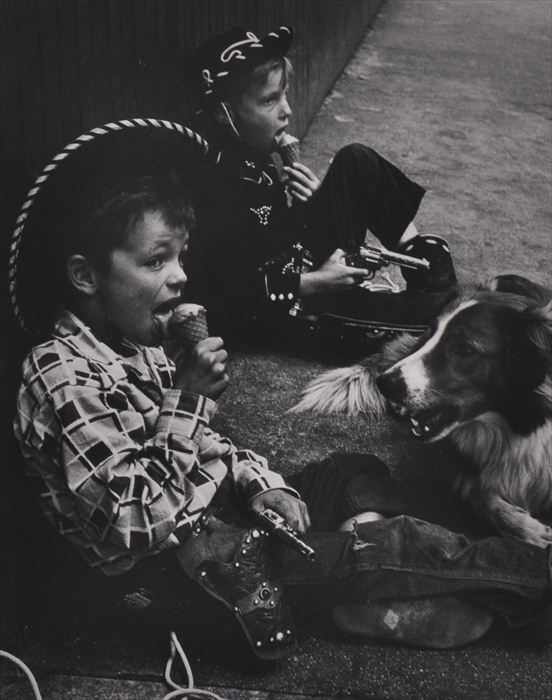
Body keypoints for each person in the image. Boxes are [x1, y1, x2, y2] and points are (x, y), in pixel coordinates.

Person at [9, 121, 551, 664]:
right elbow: (133, 520)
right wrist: (190, 401)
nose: (179, 278)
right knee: (386, 547)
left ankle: (388, 580)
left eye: (180, 257)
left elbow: (211, 449)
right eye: (156, 261)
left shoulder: (137, 344)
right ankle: (512, 583)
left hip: (224, 514)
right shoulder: (64, 377)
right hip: (185, 573)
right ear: (85, 276)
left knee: (351, 473)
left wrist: (267, 486)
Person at [187, 26, 457, 351]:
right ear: (224, 113)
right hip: (280, 306)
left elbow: (271, 231)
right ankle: (423, 306)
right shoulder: (209, 183)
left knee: (355, 159)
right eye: (270, 100)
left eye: (284, 94)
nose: (286, 110)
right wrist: (315, 283)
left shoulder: (256, 156)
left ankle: (426, 268)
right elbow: (223, 288)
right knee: (424, 323)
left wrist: (313, 204)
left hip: (296, 263)